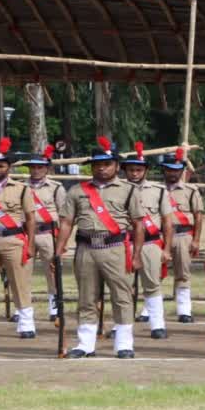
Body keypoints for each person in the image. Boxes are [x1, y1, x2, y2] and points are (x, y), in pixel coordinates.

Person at [55, 137, 146, 359]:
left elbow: (138, 224)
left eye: (106, 164)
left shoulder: (129, 190)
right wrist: (58, 249)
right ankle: (86, 344)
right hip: (86, 248)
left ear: (116, 165)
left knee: (121, 296)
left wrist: (137, 255)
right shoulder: (77, 190)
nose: (102, 168)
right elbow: (66, 222)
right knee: (86, 297)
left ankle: (124, 344)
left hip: (115, 248)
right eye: (97, 164)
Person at [0, 137, 38, 338]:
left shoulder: (22, 189)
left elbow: (31, 219)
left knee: (19, 282)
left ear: (9, 167)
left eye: (0, 166)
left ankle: (26, 323)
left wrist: (30, 244)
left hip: (13, 239)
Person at [122, 142, 174, 339]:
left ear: (145, 170)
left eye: (138, 169)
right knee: (123, 286)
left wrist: (167, 249)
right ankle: (122, 324)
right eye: (131, 169)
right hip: (124, 243)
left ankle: (157, 325)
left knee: (152, 284)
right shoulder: (117, 190)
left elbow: (168, 222)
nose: (134, 173)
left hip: (151, 243)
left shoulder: (159, 191)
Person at [161, 147, 203, 323]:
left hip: (182, 235)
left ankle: (184, 310)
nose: (173, 172)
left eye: (176, 169)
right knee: (154, 272)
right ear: (164, 170)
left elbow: (198, 215)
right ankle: (149, 310)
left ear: (181, 170)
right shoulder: (156, 190)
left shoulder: (191, 190)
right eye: (169, 169)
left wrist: (196, 239)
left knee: (182, 273)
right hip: (159, 236)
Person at [25, 144, 66, 323]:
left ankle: (54, 307)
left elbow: (64, 215)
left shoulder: (56, 188)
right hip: (25, 234)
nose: (35, 170)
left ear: (47, 168)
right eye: (33, 167)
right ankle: (23, 308)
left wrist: (61, 242)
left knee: (53, 272)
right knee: (23, 271)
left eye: (39, 167)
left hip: (48, 233)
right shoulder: (21, 187)